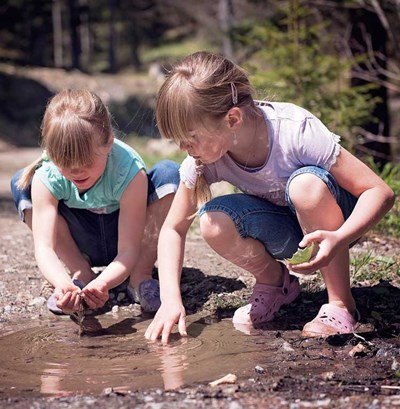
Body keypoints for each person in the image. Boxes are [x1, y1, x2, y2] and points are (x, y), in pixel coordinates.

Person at [144, 51, 395, 343]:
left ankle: (340, 304)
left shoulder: (294, 130)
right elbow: (173, 229)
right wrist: (170, 299)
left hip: (335, 225)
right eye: (179, 141)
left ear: (232, 119)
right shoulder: (205, 160)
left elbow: (379, 191)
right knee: (213, 221)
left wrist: (339, 237)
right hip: (291, 233)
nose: (185, 149)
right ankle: (276, 284)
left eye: (190, 138)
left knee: (305, 187)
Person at [10, 89, 180, 315]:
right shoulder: (48, 175)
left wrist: (104, 284)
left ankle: (140, 276)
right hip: (81, 241)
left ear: (109, 143)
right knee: (21, 182)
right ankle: (80, 272)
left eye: (86, 162)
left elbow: (128, 249)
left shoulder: (128, 171)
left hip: (128, 240)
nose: (76, 172)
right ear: (51, 154)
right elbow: (44, 247)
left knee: (170, 172)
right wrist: (63, 285)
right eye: (65, 165)